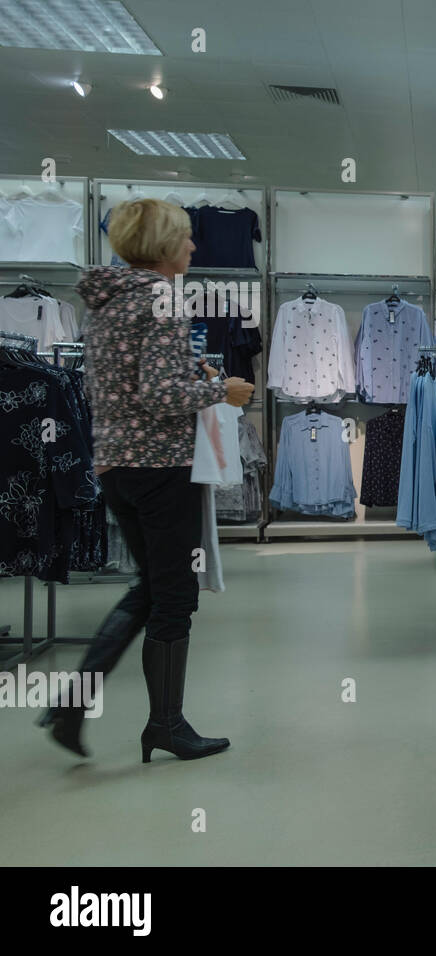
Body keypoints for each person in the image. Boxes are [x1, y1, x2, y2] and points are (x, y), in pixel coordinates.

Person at [39, 198, 255, 762]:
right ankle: (165, 725)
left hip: (116, 465)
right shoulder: (162, 299)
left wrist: (191, 372)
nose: (193, 246)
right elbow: (160, 398)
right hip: (162, 468)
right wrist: (220, 390)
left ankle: (73, 706)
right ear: (162, 246)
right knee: (174, 596)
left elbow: (120, 386)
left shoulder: (106, 302)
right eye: (183, 238)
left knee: (151, 588)